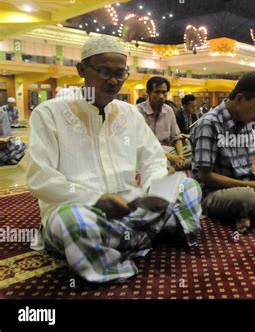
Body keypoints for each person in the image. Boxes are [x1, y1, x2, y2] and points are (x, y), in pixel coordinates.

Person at [26, 35, 202, 283]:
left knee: (188, 186)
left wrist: (155, 190)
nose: (113, 81)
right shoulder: (50, 113)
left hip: (131, 206)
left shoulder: (129, 113)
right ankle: (145, 236)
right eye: (104, 71)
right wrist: (95, 198)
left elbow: (153, 159)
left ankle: (121, 239)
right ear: (81, 70)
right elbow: (40, 177)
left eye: (121, 73)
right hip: (81, 209)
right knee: (72, 223)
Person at [191, 73, 255, 234]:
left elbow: (249, 164)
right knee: (249, 198)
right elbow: (206, 176)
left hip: (246, 186)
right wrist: (253, 186)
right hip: (214, 193)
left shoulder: (245, 121)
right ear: (240, 99)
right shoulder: (209, 123)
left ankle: (248, 213)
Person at [137, 77, 191, 170]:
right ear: (148, 93)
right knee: (155, 161)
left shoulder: (168, 110)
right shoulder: (138, 111)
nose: (161, 96)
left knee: (195, 151)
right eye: (157, 92)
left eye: (164, 92)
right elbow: (141, 144)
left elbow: (176, 138)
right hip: (149, 153)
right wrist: (169, 156)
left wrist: (180, 156)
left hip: (170, 151)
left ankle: (173, 166)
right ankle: (171, 166)